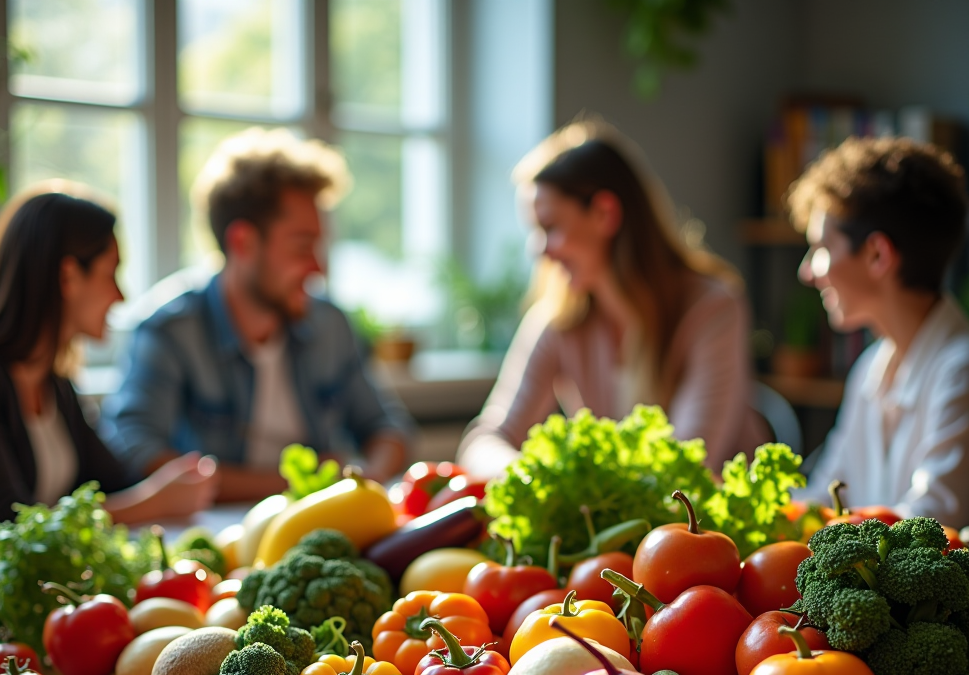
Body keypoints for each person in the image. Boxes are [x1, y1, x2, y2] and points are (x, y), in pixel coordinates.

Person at [103, 128, 411, 501]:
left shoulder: (330, 324)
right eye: (302, 247)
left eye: (319, 247)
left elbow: (387, 428)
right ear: (242, 242)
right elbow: (135, 450)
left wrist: (369, 476)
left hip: (320, 526)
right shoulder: (168, 329)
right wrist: (306, 485)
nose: (317, 268)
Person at [458, 119, 764, 478]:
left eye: (550, 228)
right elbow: (484, 440)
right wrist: (532, 479)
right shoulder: (557, 318)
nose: (538, 250)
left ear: (605, 213)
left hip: (709, 528)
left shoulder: (713, 307)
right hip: (627, 528)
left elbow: (689, 465)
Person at [0, 186, 217, 538]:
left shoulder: (55, 384)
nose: (121, 295)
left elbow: (114, 485)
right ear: (68, 276)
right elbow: (1, 528)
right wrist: (153, 502)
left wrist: (167, 481)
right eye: (111, 273)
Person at [788, 136, 969, 525]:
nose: (808, 271)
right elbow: (823, 497)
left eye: (821, 248)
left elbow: (932, 525)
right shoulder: (871, 367)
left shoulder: (960, 371)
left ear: (877, 255)